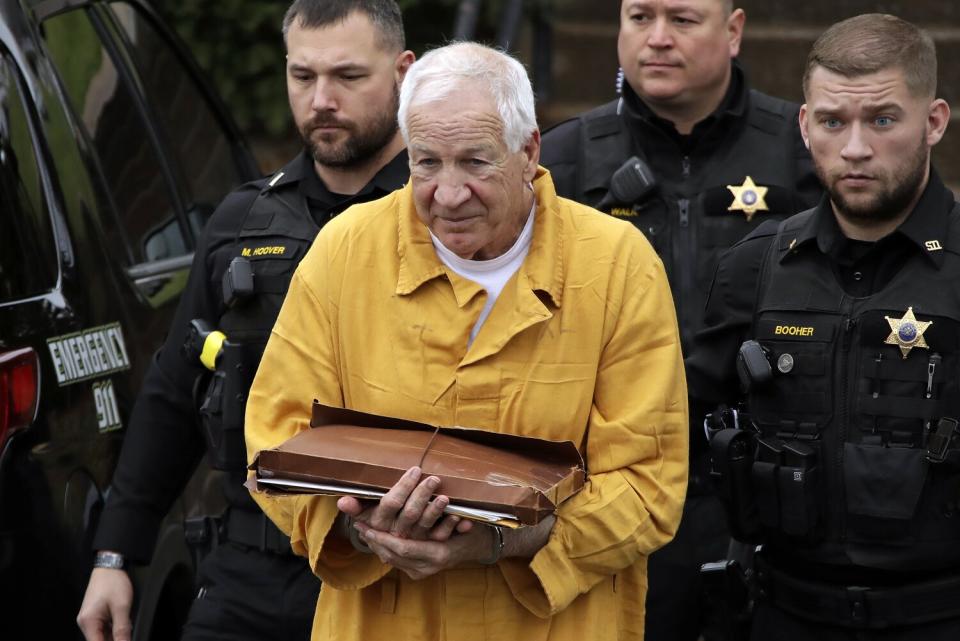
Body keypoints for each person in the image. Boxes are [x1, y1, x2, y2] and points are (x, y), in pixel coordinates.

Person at [244, 41, 688, 641]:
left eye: (475, 162)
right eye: (426, 163)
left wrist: (498, 541)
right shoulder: (346, 251)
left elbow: (648, 484)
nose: (448, 195)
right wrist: (363, 529)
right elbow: (276, 437)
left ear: (529, 151)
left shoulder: (617, 266)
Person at [75, 2, 414, 640]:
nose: (321, 100)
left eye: (347, 76)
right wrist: (116, 554)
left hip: (392, 577)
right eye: (303, 76)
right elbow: (175, 391)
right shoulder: (243, 222)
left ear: (403, 72)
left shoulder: (444, 216)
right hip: (250, 568)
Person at [540, 2, 822, 638]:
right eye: (640, 17)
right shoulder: (562, 163)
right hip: (615, 491)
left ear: (734, 31)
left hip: (767, 488)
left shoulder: (805, 152)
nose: (657, 39)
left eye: (683, 20)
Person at [686, 13, 959, 640]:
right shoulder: (753, 267)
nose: (856, 148)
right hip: (784, 615)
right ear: (805, 125)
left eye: (883, 120)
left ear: (935, 121)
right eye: (834, 122)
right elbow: (684, 442)